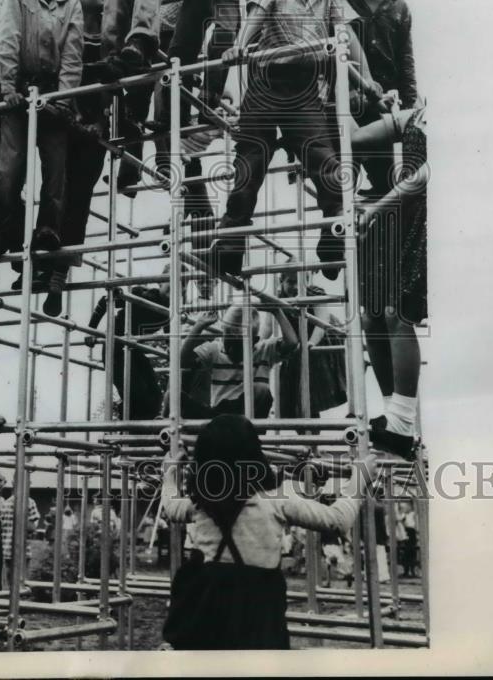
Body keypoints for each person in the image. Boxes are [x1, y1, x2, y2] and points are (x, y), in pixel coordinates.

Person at [208, 0, 377, 280]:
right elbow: (254, 21)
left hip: (304, 92)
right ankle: (228, 246)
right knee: (249, 165)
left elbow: (346, 39)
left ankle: (333, 235)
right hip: (267, 87)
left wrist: (369, 80)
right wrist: (240, 45)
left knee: (326, 162)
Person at [161, 414, 376, 649]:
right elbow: (337, 520)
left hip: (209, 604)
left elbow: (171, 508)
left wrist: (170, 473)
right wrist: (359, 479)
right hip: (258, 606)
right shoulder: (275, 499)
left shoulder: (201, 503)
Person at [0, 0, 84, 260]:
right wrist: (8, 88)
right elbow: (8, 38)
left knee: (55, 166)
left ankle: (48, 227)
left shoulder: (71, 6)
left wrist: (64, 100)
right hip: (20, 91)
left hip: (53, 93)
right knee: (9, 167)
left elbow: (72, 56)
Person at [354, 105, 428, 460]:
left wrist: (375, 210)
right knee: (371, 315)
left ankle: (402, 422)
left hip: (422, 215)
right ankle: (393, 418)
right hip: (400, 212)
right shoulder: (415, 114)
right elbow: (353, 136)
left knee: (397, 313)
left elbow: (420, 178)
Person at [39, 0, 109, 314]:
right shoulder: (67, 32)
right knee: (56, 190)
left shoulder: (109, 36)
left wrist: (98, 122)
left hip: (94, 128)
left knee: (80, 198)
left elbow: (111, 85)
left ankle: (59, 274)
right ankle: (43, 264)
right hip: (67, 122)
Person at [342, 0, 419, 195]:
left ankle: (379, 228)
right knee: (344, 173)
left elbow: (405, 60)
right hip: (349, 102)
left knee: (385, 181)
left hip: (384, 104)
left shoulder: (399, 7)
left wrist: (410, 106)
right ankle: (337, 231)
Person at [179, 304, 297, 418]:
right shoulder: (215, 350)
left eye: (237, 344)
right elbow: (182, 360)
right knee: (175, 396)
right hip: (220, 416)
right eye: (227, 340)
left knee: (262, 390)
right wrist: (199, 325)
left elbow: (292, 342)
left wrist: (276, 311)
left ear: (254, 341)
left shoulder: (264, 350)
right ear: (223, 333)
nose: (230, 348)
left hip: (247, 418)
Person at [84, 271, 172, 419]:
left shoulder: (171, 308)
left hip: (133, 351)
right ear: (160, 283)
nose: (179, 288)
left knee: (155, 395)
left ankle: (139, 432)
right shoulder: (145, 297)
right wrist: (91, 330)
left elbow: (169, 329)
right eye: (172, 284)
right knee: (137, 394)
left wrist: (170, 346)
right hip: (115, 349)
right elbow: (106, 300)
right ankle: (128, 429)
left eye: (184, 284)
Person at [274, 264, 348, 420]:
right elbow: (268, 328)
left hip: (323, 335)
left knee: (311, 374)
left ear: (307, 281)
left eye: (300, 282)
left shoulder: (314, 293)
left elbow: (321, 323)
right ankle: (306, 424)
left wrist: (311, 343)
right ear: (281, 281)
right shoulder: (278, 298)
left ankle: (312, 417)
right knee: (292, 386)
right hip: (297, 339)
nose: (295, 287)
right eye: (290, 282)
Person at [1, 490, 41, 587]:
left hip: (10, 545)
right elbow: (32, 526)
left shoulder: (6, 503)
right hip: (15, 545)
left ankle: (14, 592)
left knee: (12, 574)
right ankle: (19, 593)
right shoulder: (28, 501)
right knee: (20, 575)